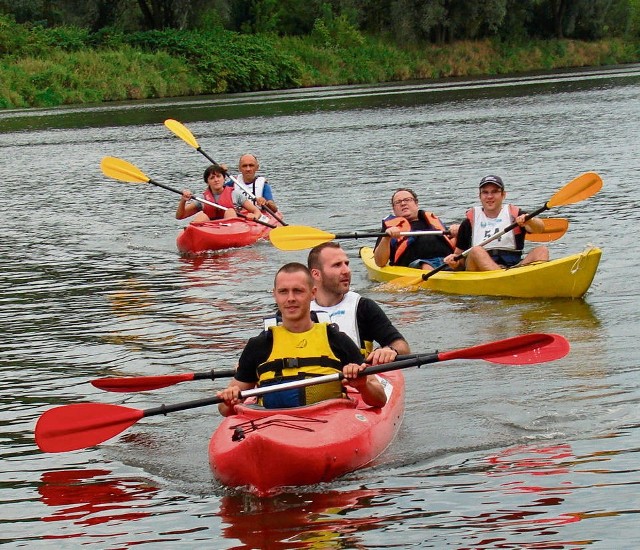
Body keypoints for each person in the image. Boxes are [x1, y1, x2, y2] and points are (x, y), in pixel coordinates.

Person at [217, 263, 388, 417]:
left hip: (328, 424)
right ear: (275, 295)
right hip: (273, 424)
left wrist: (362, 385)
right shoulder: (260, 345)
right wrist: (230, 399)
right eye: (283, 291)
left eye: (298, 291)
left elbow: (380, 399)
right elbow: (225, 411)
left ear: (313, 293)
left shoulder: (335, 339)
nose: (290, 298)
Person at [307, 242, 410, 365]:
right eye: (337, 265)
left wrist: (390, 350)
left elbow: (403, 347)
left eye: (347, 264)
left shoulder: (363, 307)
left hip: (356, 377)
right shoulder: (298, 309)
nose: (346, 271)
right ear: (316, 274)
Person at [443, 175, 549, 271]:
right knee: (476, 251)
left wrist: (530, 221)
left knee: (541, 250)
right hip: (479, 271)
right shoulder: (468, 223)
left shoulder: (516, 216)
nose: (489, 196)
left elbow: (540, 228)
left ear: (503, 195)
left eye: (494, 192)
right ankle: (502, 278)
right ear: (479, 196)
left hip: (512, 268)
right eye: (485, 192)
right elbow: (459, 259)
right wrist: (455, 263)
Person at [373, 188, 459, 271]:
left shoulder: (432, 220)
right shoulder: (390, 227)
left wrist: (458, 231)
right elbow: (380, 262)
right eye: (398, 202)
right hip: (417, 264)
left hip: (447, 260)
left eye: (407, 200)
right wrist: (386, 237)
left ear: (416, 203)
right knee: (426, 265)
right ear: (394, 209)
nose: (403, 203)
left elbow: (453, 242)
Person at [176, 163, 262, 223]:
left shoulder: (235, 194)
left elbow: (256, 211)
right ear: (207, 182)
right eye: (212, 178)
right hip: (210, 229)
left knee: (230, 212)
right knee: (201, 217)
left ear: (224, 178)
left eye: (218, 176)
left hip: (231, 227)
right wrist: (183, 201)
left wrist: (254, 216)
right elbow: (180, 216)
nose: (216, 180)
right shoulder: (202, 199)